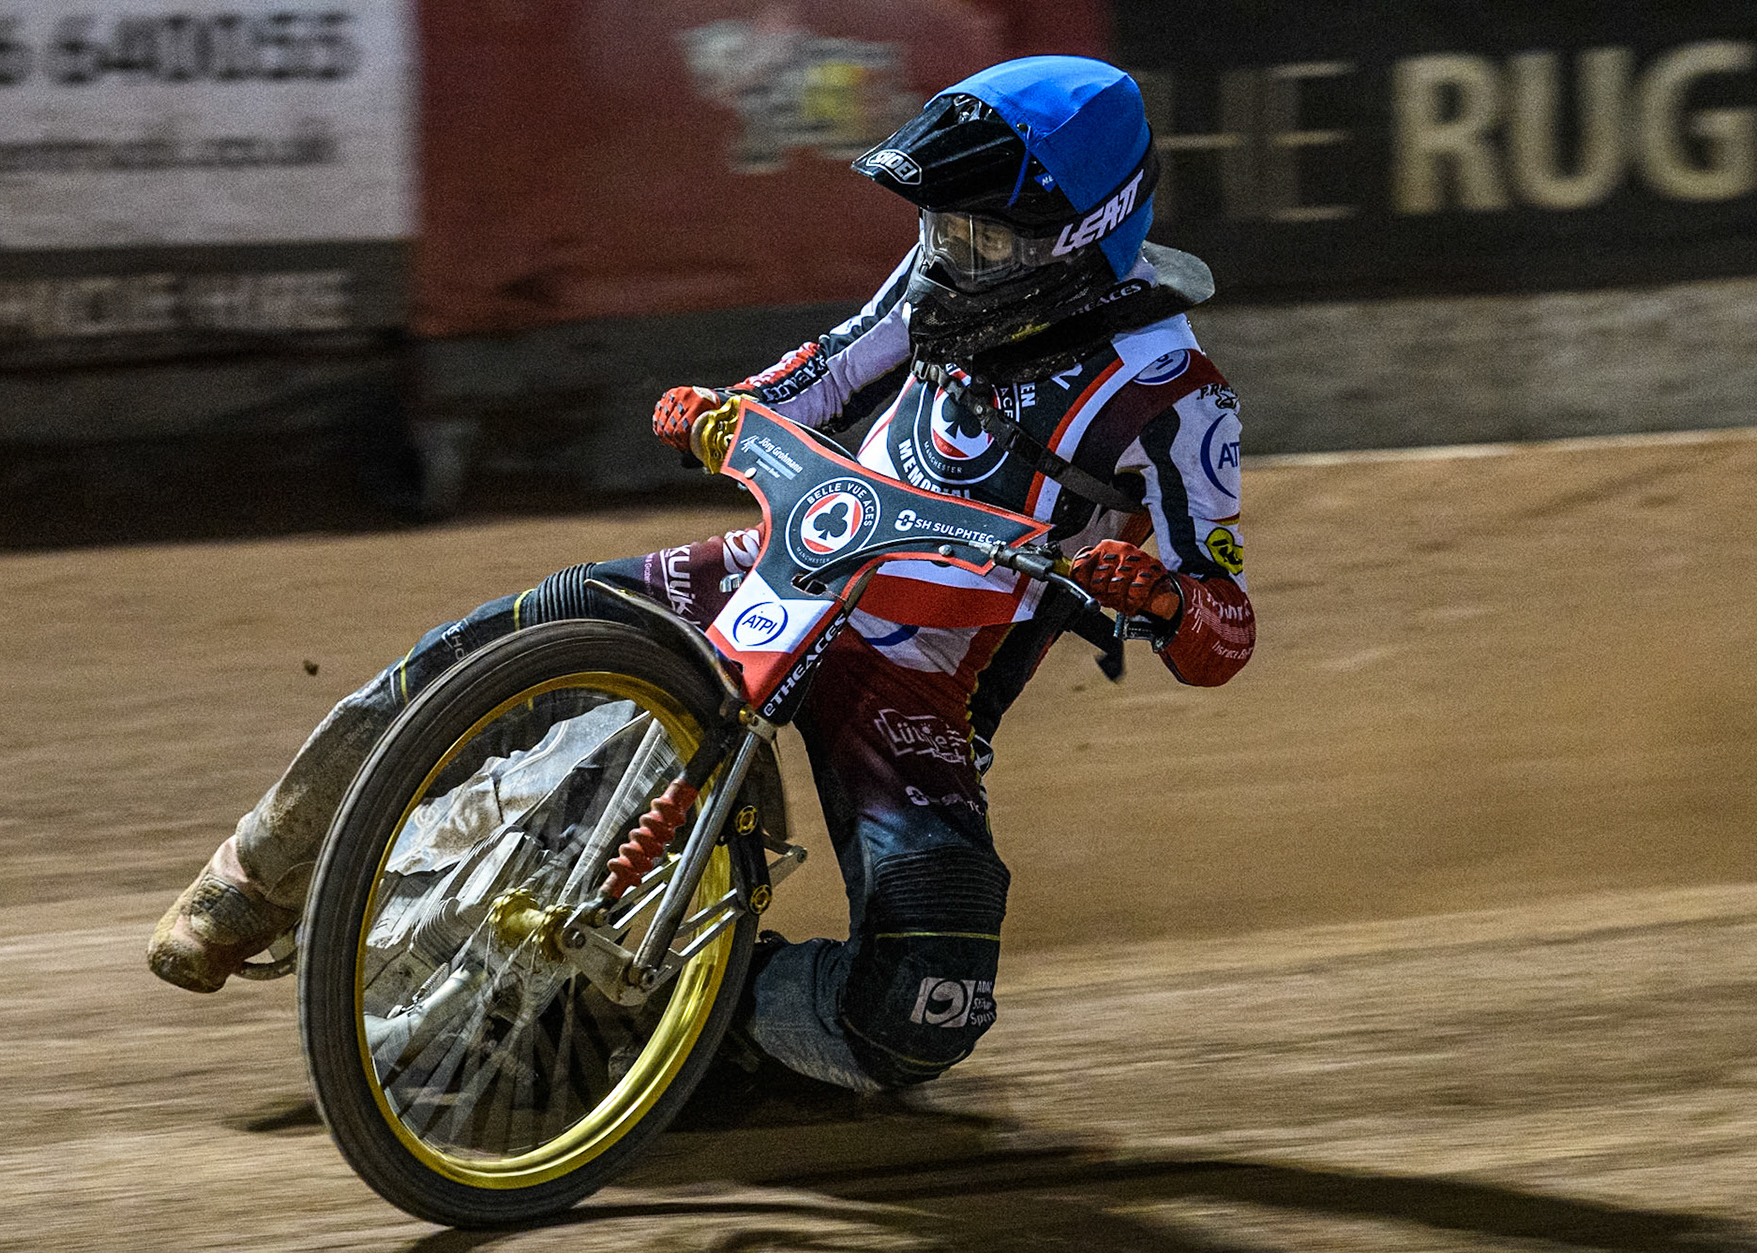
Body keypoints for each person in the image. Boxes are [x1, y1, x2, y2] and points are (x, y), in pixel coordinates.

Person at [149, 55, 1254, 1094]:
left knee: (924, 1009)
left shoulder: (1172, 397)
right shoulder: (946, 270)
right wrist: (730, 408)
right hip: (794, 559)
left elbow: (1224, 628)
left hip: (914, 676)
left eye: (986, 238)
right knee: (498, 639)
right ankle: (257, 875)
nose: (954, 251)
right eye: (943, 225)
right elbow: (829, 366)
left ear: (1085, 235)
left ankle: (690, 1018)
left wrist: (1157, 595)